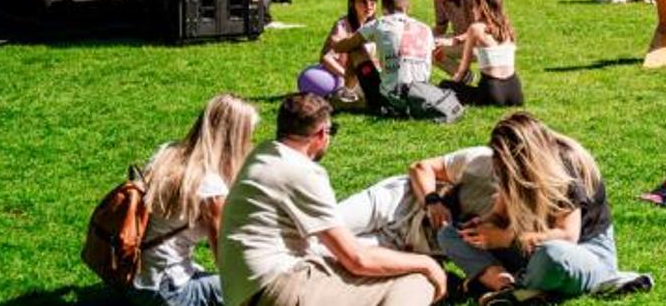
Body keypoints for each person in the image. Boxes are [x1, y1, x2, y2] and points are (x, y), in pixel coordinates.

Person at [217, 94, 445, 306]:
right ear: (321, 134)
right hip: (277, 285)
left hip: (242, 292)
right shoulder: (302, 171)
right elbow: (357, 259)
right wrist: (427, 263)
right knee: (415, 280)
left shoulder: (262, 155)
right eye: (331, 130)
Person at [438, 113, 654, 303]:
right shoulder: (506, 167)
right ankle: (507, 287)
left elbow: (568, 236)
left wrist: (509, 239)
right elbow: (498, 213)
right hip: (530, 249)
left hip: (582, 250)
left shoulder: (565, 164)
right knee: (449, 235)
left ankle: (515, 286)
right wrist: (485, 225)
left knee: (552, 256)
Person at [129, 95, 259, 306]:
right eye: (248, 134)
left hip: (133, 277)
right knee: (256, 294)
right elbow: (223, 258)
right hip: (167, 290)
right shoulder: (210, 186)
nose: (250, 142)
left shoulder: (167, 152)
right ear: (234, 137)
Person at [337, 145, 499, 258]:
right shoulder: (481, 159)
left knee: (328, 253)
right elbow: (421, 168)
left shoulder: (517, 212)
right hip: (396, 202)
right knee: (319, 227)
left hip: (406, 245)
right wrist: (433, 201)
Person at [332, 0, 460, 121]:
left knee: (355, 49)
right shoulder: (425, 28)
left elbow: (345, 46)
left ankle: (347, 93)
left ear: (384, 9)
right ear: (406, 8)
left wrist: (335, 43)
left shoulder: (379, 23)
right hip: (420, 95)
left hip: (392, 99)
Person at [440, 0, 524, 107]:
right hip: (515, 91)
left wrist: (452, 85)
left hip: (493, 91)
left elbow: (463, 70)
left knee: (445, 85)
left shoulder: (475, 28)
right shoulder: (506, 29)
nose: (472, 10)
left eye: (474, 6)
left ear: (481, 7)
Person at [418, 0, 488, 73]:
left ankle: (462, 77)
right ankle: (463, 77)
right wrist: (421, 38)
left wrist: (454, 40)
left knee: (432, 50)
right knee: (425, 47)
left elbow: (486, 25)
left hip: (483, 42)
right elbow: (441, 27)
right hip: (460, 38)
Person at [320, 0, 379, 105]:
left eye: (372, 0)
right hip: (345, 79)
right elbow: (326, 58)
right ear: (352, 4)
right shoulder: (343, 26)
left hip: (368, 75)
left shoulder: (377, 25)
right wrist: (346, 76)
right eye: (363, 1)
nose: (369, 5)